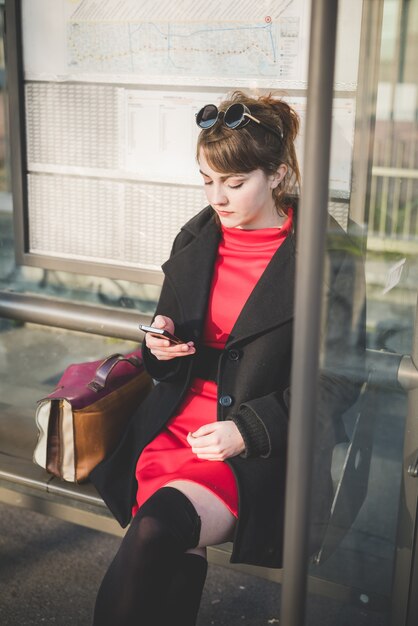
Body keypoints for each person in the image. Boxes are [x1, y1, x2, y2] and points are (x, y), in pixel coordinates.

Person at [90, 90, 365, 626]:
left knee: (156, 531)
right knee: (168, 546)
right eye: (208, 179)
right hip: (173, 431)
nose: (218, 196)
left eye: (235, 183)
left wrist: (249, 430)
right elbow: (166, 363)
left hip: (254, 449)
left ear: (279, 174)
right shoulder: (196, 239)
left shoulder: (329, 256)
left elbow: (340, 381)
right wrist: (160, 349)